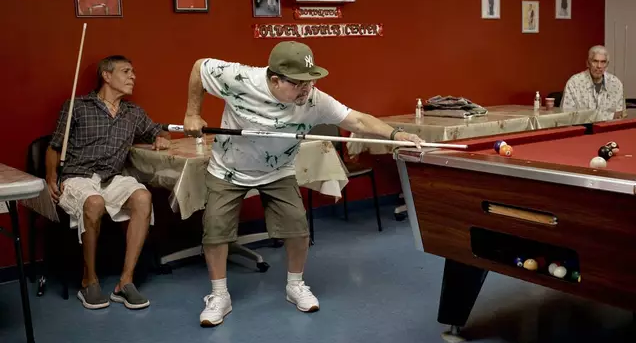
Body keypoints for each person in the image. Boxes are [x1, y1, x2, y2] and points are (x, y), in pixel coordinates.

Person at [182, 41, 425, 327]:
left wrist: (396, 134)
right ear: (275, 79)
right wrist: (192, 113)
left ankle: (294, 285)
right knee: (216, 231)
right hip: (229, 169)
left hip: (278, 171)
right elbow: (200, 67)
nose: (307, 90)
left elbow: (358, 120)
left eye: (310, 82)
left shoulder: (313, 100)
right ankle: (219, 295)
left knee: (298, 228)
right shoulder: (239, 78)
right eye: (298, 84)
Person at [46, 55, 171, 310]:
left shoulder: (133, 113)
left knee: (142, 197)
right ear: (106, 75)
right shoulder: (76, 106)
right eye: (126, 72)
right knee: (94, 202)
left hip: (111, 178)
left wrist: (161, 137)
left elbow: (160, 130)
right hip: (77, 177)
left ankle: (125, 282)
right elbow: (54, 147)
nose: (133, 76)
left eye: (133, 72)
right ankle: (89, 281)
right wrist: (50, 178)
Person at [561, 45, 626, 121]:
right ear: (588, 63)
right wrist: (610, 116)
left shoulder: (616, 84)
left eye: (603, 62)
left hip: (609, 130)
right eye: (595, 61)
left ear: (607, 65)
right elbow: (567, 117)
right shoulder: (574, 83)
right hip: (583, 130)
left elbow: (619, 117)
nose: (599, 66)